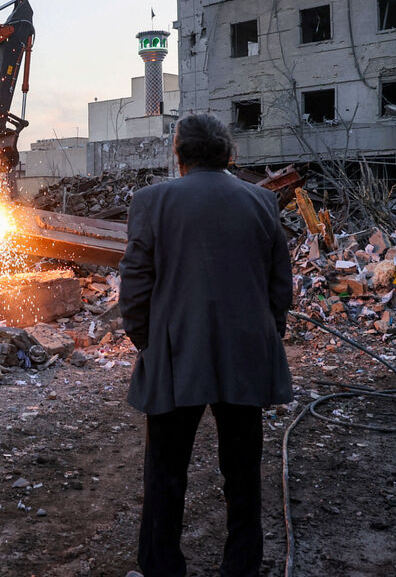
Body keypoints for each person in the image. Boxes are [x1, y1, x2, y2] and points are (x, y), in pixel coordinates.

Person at [120, 113, 292, 577]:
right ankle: (241, 566)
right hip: (246, 354)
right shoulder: (262, 202)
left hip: (178, 355)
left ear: (178, 152)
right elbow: (281, 285)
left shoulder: (152, 201)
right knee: (243, 472)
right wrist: (264, 333)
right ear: (228, 152)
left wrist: (147, 342)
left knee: (165, 471)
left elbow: (135, 283)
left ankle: (162, 565)